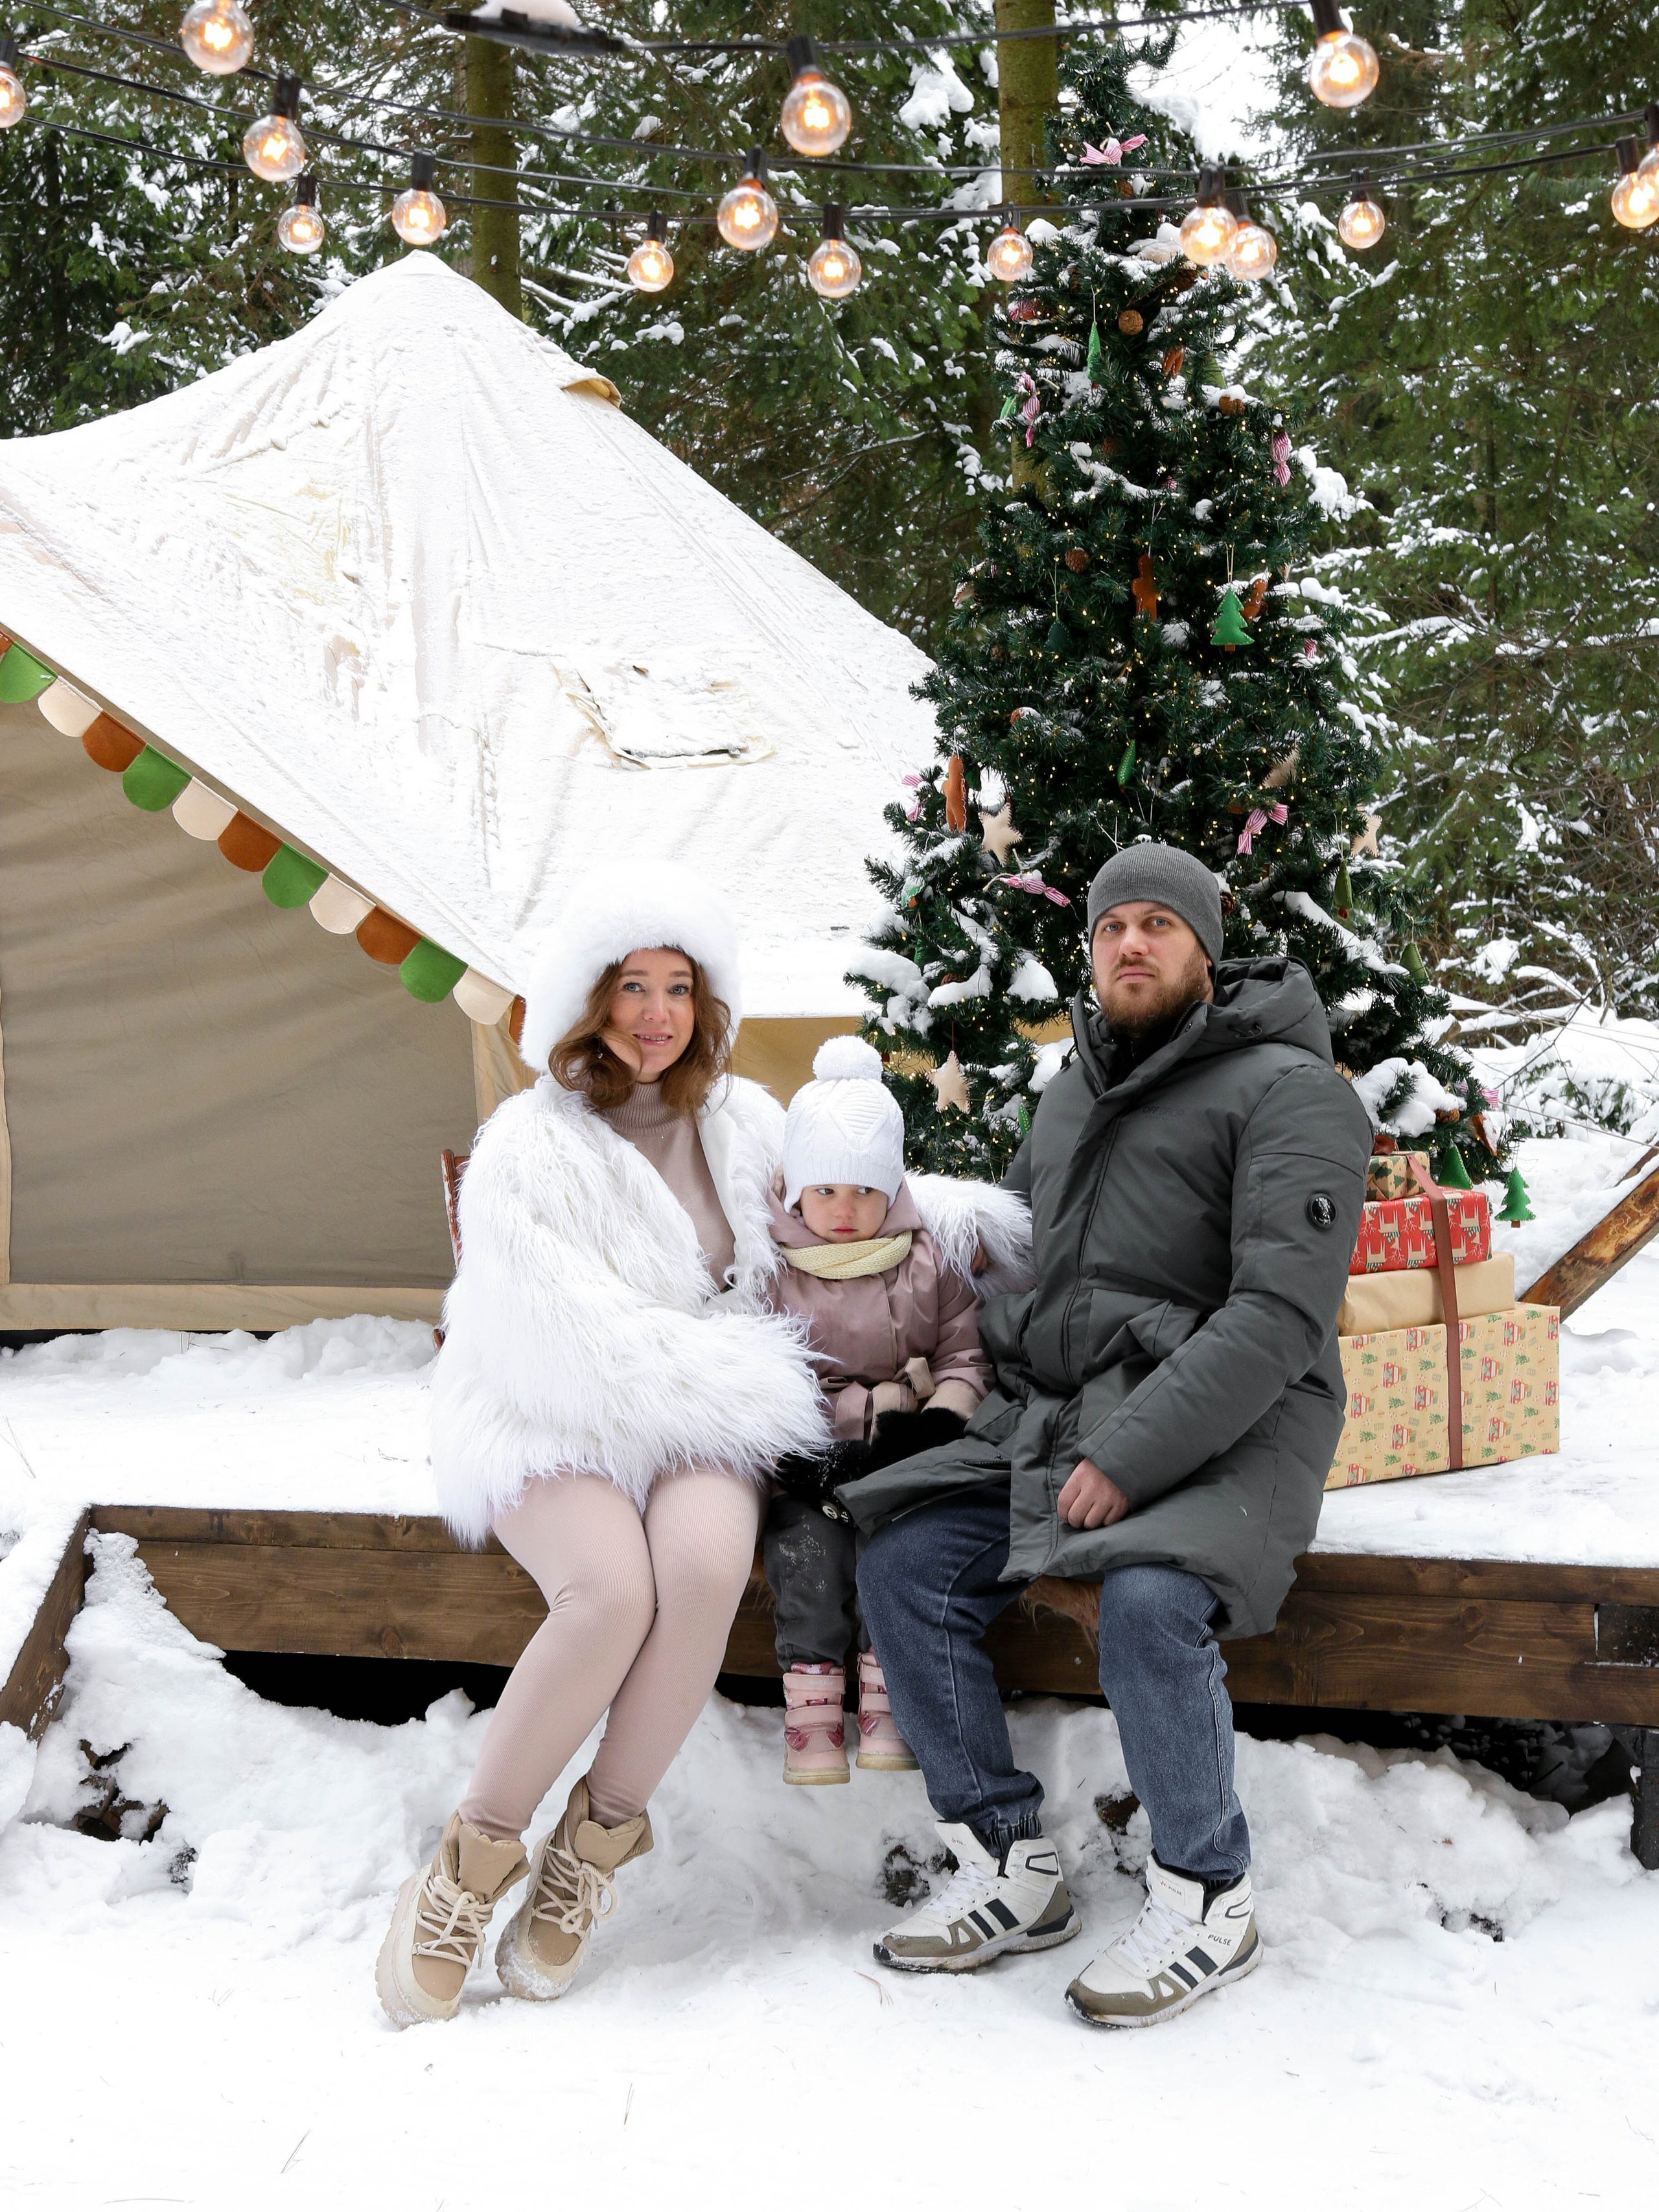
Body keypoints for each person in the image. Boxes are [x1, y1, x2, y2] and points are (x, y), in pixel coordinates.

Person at [847, 843, 1371, 2027]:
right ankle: (1007, 1859)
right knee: (907, 1562)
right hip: (1065, 1407)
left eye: (1158, 924)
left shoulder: (1292, 1090)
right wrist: (935, 1366)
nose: (1131, 944)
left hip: (1235, 1420)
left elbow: (1279, 1317)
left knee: (1148, 1600)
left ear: (1205, 947)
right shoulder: (1073, 1086)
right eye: (1110, 927)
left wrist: (1130, 1457)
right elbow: (1022, 1263)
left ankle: (1209, 1893)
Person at [377, 868, 829, 2029]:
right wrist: (738, 1375)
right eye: (633, 986)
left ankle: (592, 1848)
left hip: (706, 1408)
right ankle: (470, 1863)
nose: (657, 1013)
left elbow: (826, 1238)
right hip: (553, 1408)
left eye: (679, 987)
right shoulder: (528, 1144)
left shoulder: (748, 1121)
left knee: (702, 1569)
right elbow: (560, 1338)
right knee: (610, 1593)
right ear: (588, 997)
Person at [760, 1038, 1030, 1784]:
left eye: (864, 1190)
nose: (844, 1210)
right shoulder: (774, 1269)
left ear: (893, 1188)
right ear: (796, 1192)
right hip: (814, 1462)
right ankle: (812, 1707)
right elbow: (761, 1373)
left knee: (898, 1552)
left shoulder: (926, 1259)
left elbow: (963, 1354)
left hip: (906, 1455)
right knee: (808, 1554)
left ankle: (888, 1701)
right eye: (824, 1190)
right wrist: (809, 1444)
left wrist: (939, 1420)